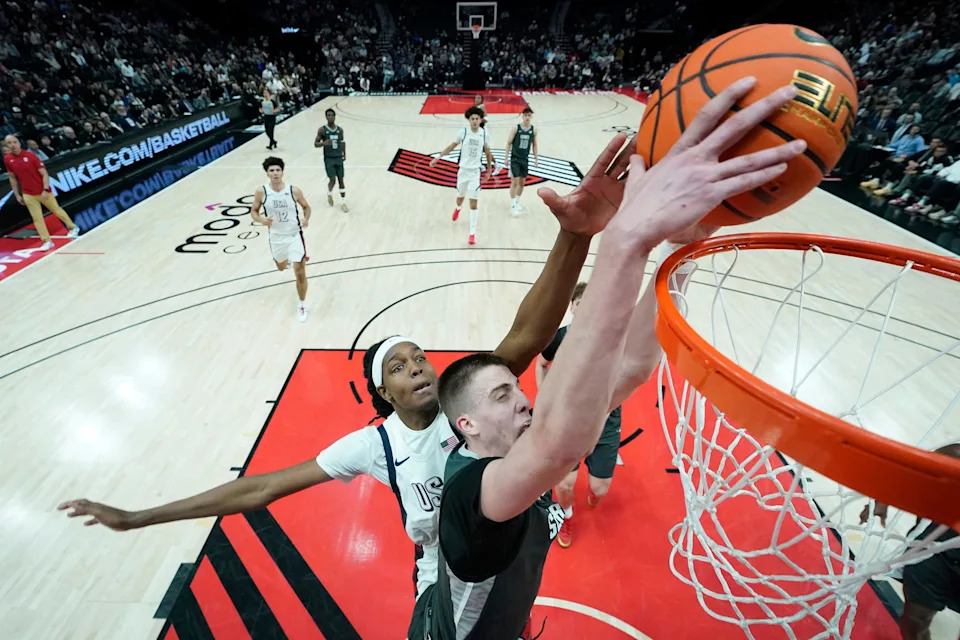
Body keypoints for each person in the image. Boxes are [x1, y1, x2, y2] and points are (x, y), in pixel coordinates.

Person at [58, 130, 641, 605]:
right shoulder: (373, 447)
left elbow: (528, 332)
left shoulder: (463, 398)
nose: (416, 367)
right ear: (381, 391)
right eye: (398, 365)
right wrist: (139, 517)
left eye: (418, 357)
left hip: (513, 554)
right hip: (448, 587)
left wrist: (574, 235)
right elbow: (260, 487)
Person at [407, 77, 808, 639]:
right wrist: (625, 240)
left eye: (516, 387)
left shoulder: (517, 454)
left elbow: (632, 370)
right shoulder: (470, 490)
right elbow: (560, 446)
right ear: (465, 425)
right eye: (503, 395)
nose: (523, 398)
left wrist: (680, 250)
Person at [536, 280, 621, 548]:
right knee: (565, 483)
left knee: (599, 489)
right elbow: (541, 364)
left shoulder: (613, 340)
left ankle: (594, 492)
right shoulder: (558, 337)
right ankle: (566, 516)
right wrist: (545, 396)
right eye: (580, 304)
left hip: (604, 418)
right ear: (573, 307)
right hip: (566, 420)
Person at [859, 443, 960, 640]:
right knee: (914, 621)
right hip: (936, 549)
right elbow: (914, 468)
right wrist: (884, 498)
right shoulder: (955, 455)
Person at [249, 157, 313, 322]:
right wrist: (261, 220)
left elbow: (306, 207)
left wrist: (306, 219)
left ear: (282, 172)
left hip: (294, 235)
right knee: (280, 266)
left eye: (278, 170)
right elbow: (254, 211)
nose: (275, 173)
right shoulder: (261, 191)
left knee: (299, 272)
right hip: (276, 237)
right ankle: (286, 260)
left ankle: (302, 304)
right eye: (272, 170)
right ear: (267, 173)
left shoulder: (294, 190)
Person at [3, 134, 79, 250]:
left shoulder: (31, 156)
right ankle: (47, 240)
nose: (12, 145)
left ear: (19, 143)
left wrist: (44, 189)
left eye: (14, 142)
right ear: (6, 145)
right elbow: (12, 177)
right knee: (37, 218)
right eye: (9, 143)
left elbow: (44, 174)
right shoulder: (8, 159)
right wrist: (17, 194)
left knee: (56, 210)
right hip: (27, 193)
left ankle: (73, 227)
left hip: (42, 190)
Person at [430, 106, 493, 245]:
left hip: (475, 173)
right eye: (472, 119)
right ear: (469, 120)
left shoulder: (484, 134)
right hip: (463, 172)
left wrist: (488, 170)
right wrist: (437, 157)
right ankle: (458, 209)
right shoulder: (463, 132)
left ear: (480, 120)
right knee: (460, 198)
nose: (475, 121)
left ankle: (472, 234)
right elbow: (451, 146)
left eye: (477, 119)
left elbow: (488, 153)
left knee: (474, 203)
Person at [505, 107, 538, 215]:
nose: (527, 117)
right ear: (522, 116)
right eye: (525, 115)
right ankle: (513, 204)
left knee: (522, 183)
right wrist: (506, 158)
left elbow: (535, 144)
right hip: (515, 158)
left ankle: (517, 201)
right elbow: (509, 143)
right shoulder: (516, 128)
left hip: (525, 159)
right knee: (514, 181)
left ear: (531, 117)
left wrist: (536, 159)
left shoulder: (533, 130)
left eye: (529, 115)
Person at [315, 108, 347, 212]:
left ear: (335, 116)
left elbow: (342, 142)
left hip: (338, 157)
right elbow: (316, 144)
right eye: (328, 115)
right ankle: (329, 193)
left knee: (341, 180)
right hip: (329, 158)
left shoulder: (340, 129)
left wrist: (344, 153)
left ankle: (343, 202)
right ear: (326, 117)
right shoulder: (322, 130)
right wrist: (323, 143)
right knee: (332, 180)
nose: (330, 117)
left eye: (331, 115)